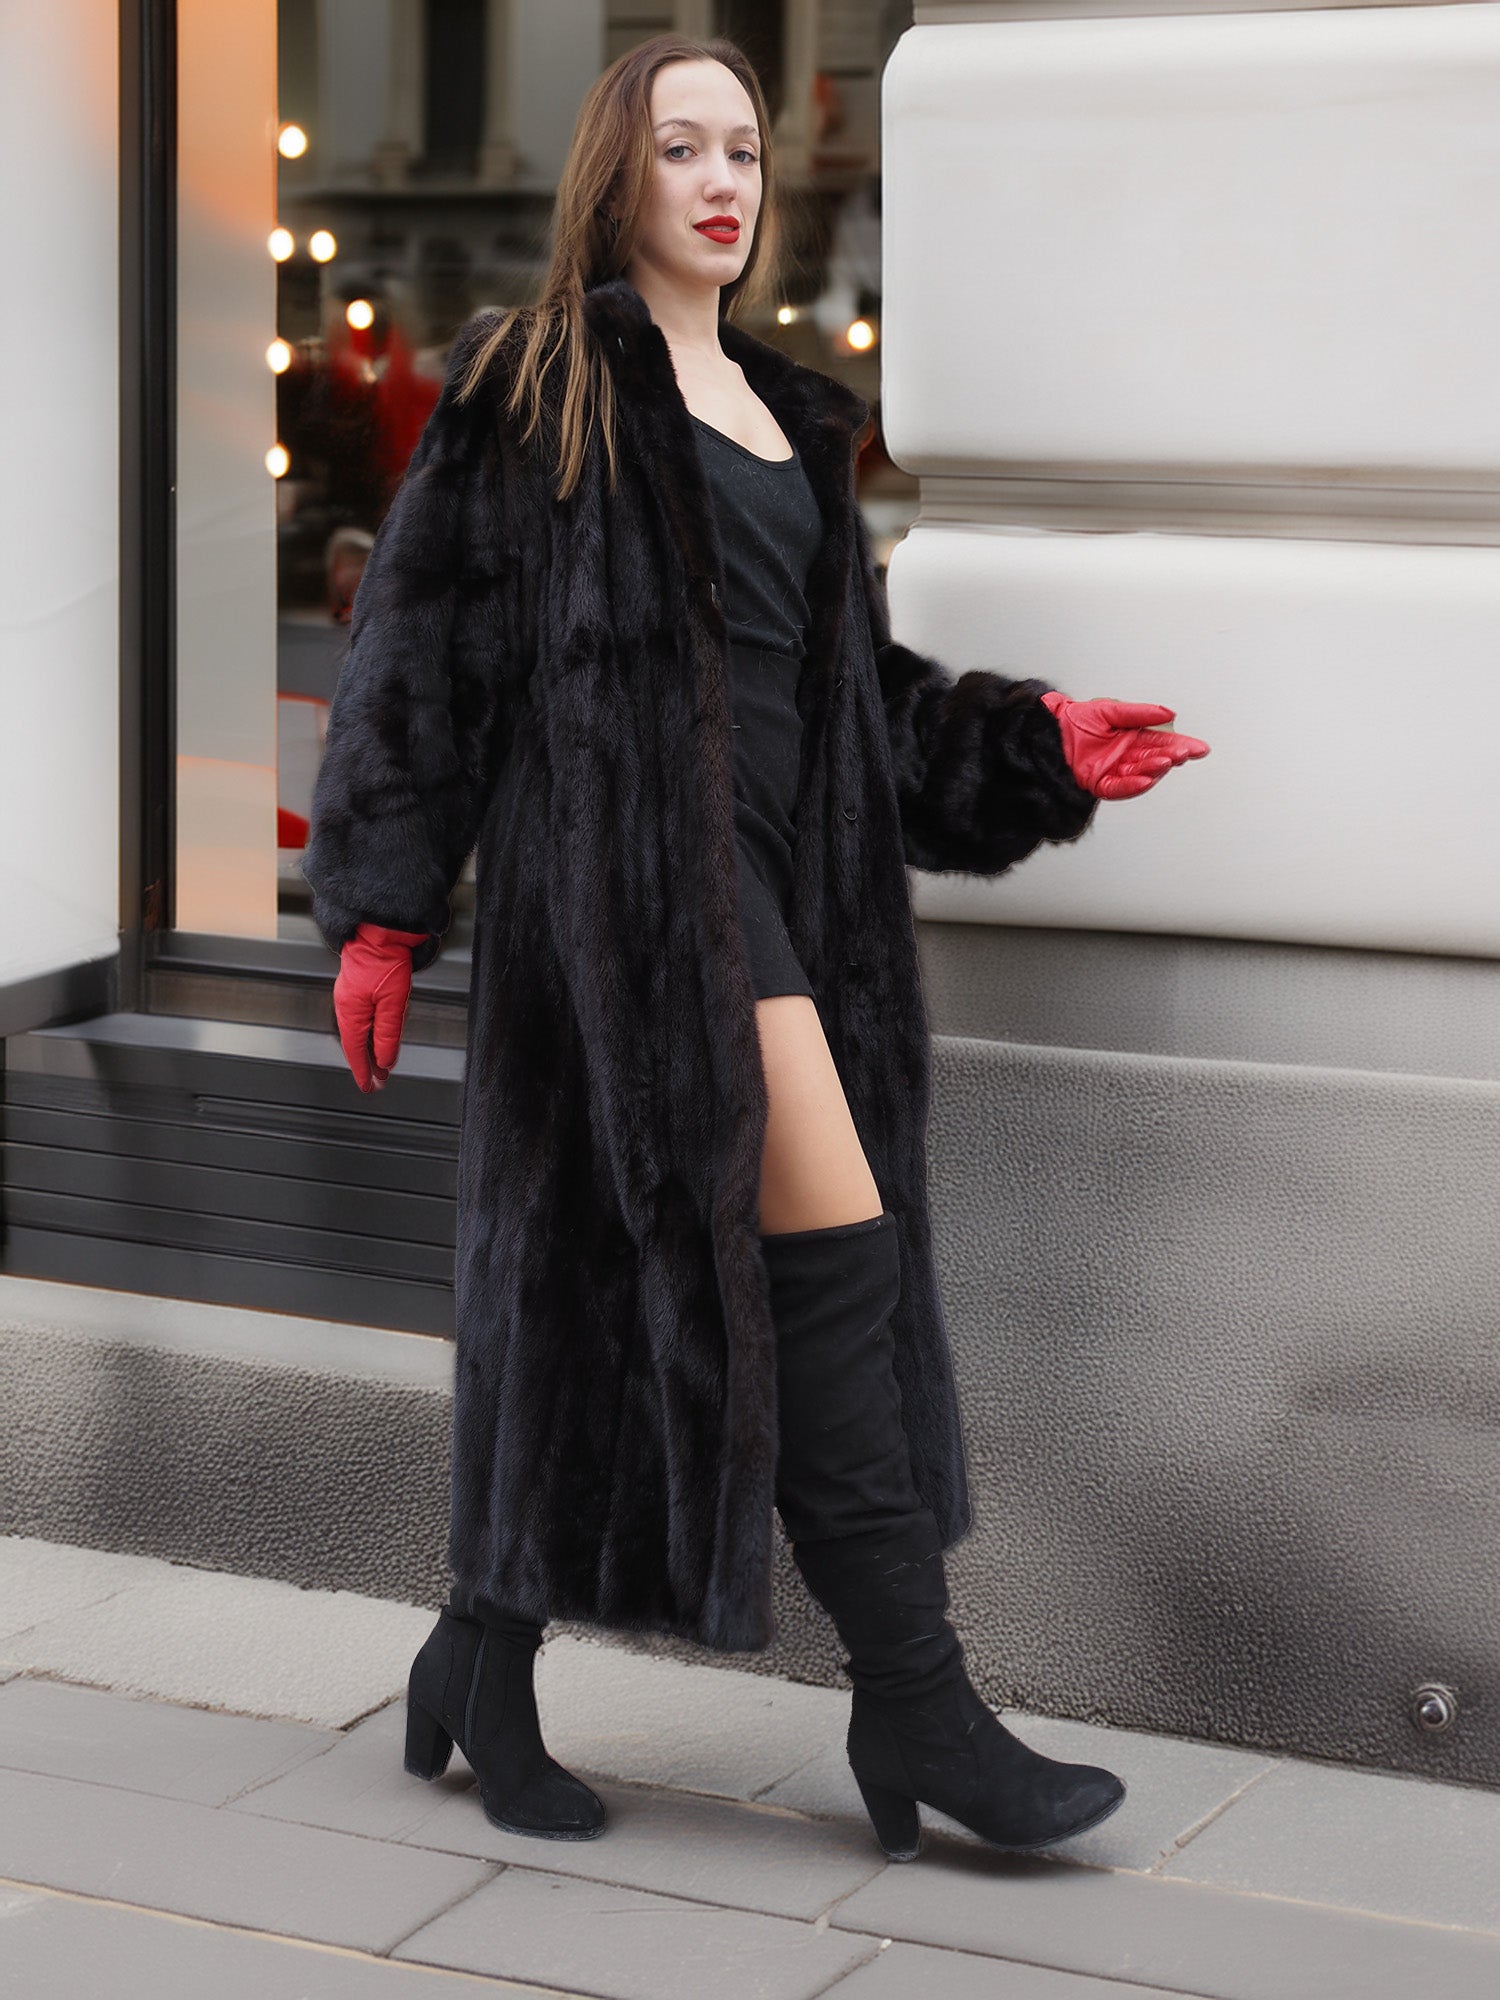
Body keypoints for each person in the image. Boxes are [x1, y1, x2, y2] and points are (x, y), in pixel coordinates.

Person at [301, 33, 1210, 1864]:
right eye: (681, 149)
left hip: (793, 905)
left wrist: (1031, 744)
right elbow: (422, 659)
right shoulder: (532, 387)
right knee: (830, 1252)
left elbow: (857, 703)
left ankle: (482, 1653)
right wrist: (383, 909)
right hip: (628, 912)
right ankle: (919, 1705)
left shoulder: (796, 420)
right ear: (615, 179)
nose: (722, 180)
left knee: (611, 1301)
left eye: (741, 153)